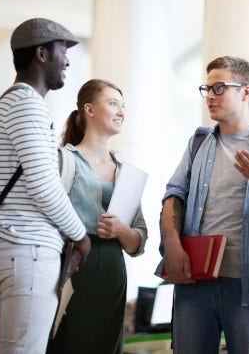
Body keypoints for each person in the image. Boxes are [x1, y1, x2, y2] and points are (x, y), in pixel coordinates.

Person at [158, 56, 249, 354]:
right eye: (207, 88)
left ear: (245, 92)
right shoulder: (198, 142)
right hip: (194, 279)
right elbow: (174, 194)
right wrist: (171, 243)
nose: (210, 95)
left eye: (219, 87)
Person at [0, 17, 92, 354]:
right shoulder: (26, 104)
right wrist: (80, 235)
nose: (68, 61)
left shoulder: (10, 104)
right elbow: (44, 186)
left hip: (11, 250)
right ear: (41, 54)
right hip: (27, 253)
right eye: (63, 51)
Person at [46, 79, 148, 354]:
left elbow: (140, 240)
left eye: (123, 106)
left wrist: (121, 231)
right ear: (89, 110)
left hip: (113, 274)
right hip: (75, 268)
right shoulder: (62, 160)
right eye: (113, 103)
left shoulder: (127, 172)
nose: (121, 112)